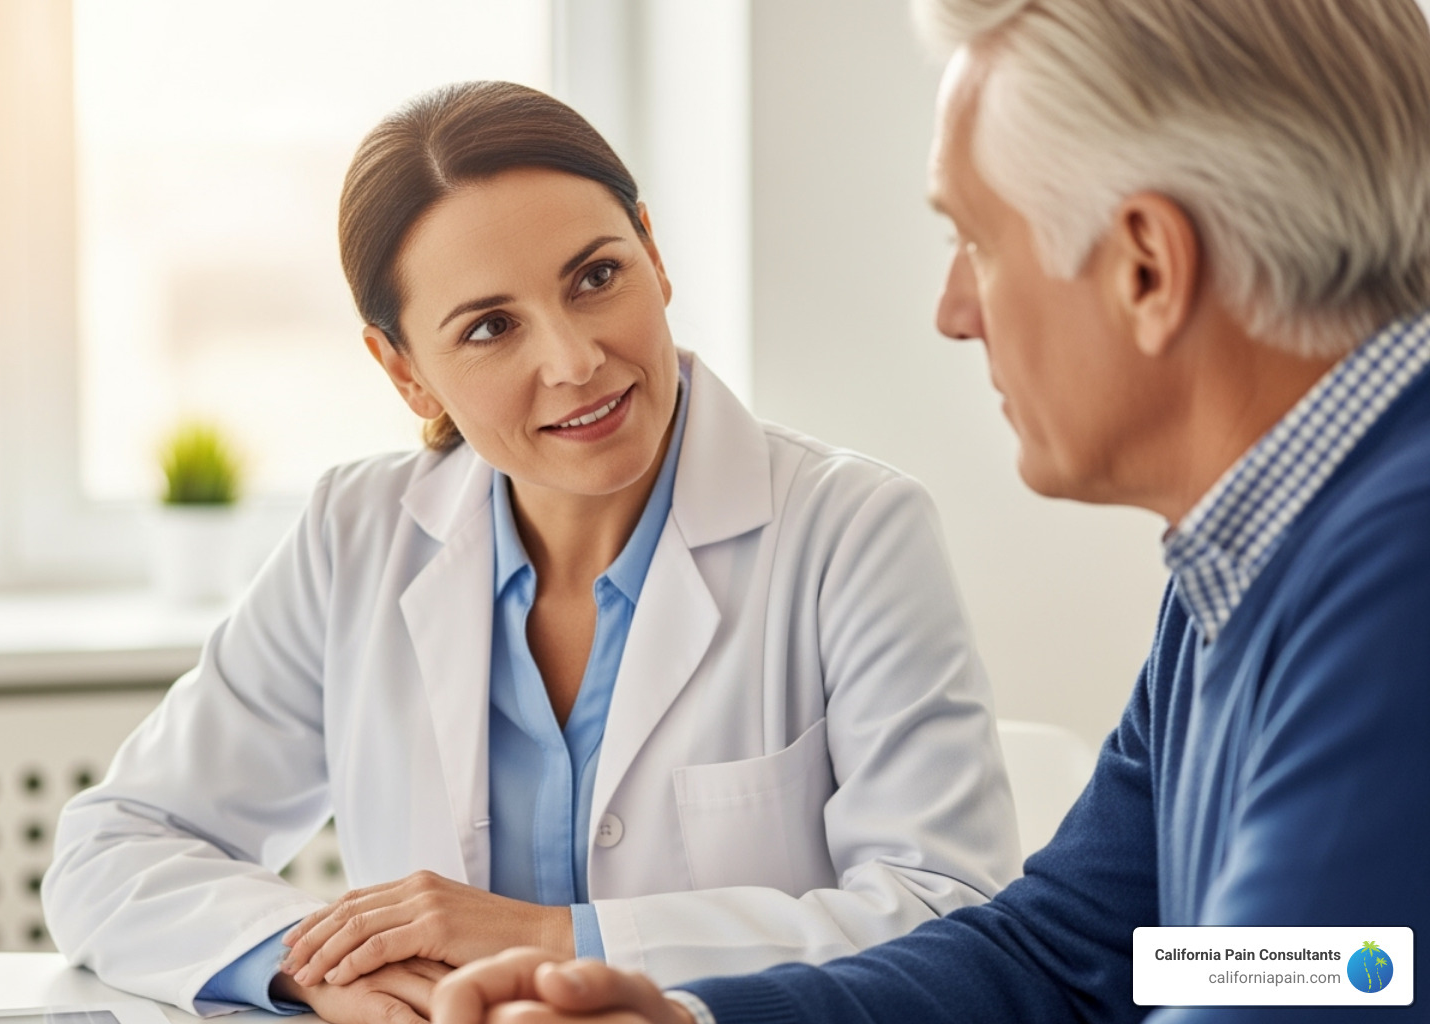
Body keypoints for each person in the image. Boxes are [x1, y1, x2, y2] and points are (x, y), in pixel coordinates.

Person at [428, 1, 1430, 1022]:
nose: (954, 310)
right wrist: (685, 1021)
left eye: (977, 243)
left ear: (1147, 267)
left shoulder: (1403, 567)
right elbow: (1093, 955)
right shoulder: (1249, 561)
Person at [40, 81, 1021, 1022]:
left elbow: (950, 916)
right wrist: (318, 969)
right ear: (405, 372)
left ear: (653, 251)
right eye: (491, 327)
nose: (574, 359)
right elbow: (114, 845)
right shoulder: (357, 536)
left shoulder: (852, 530)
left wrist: (555, 937)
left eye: (597, 276)